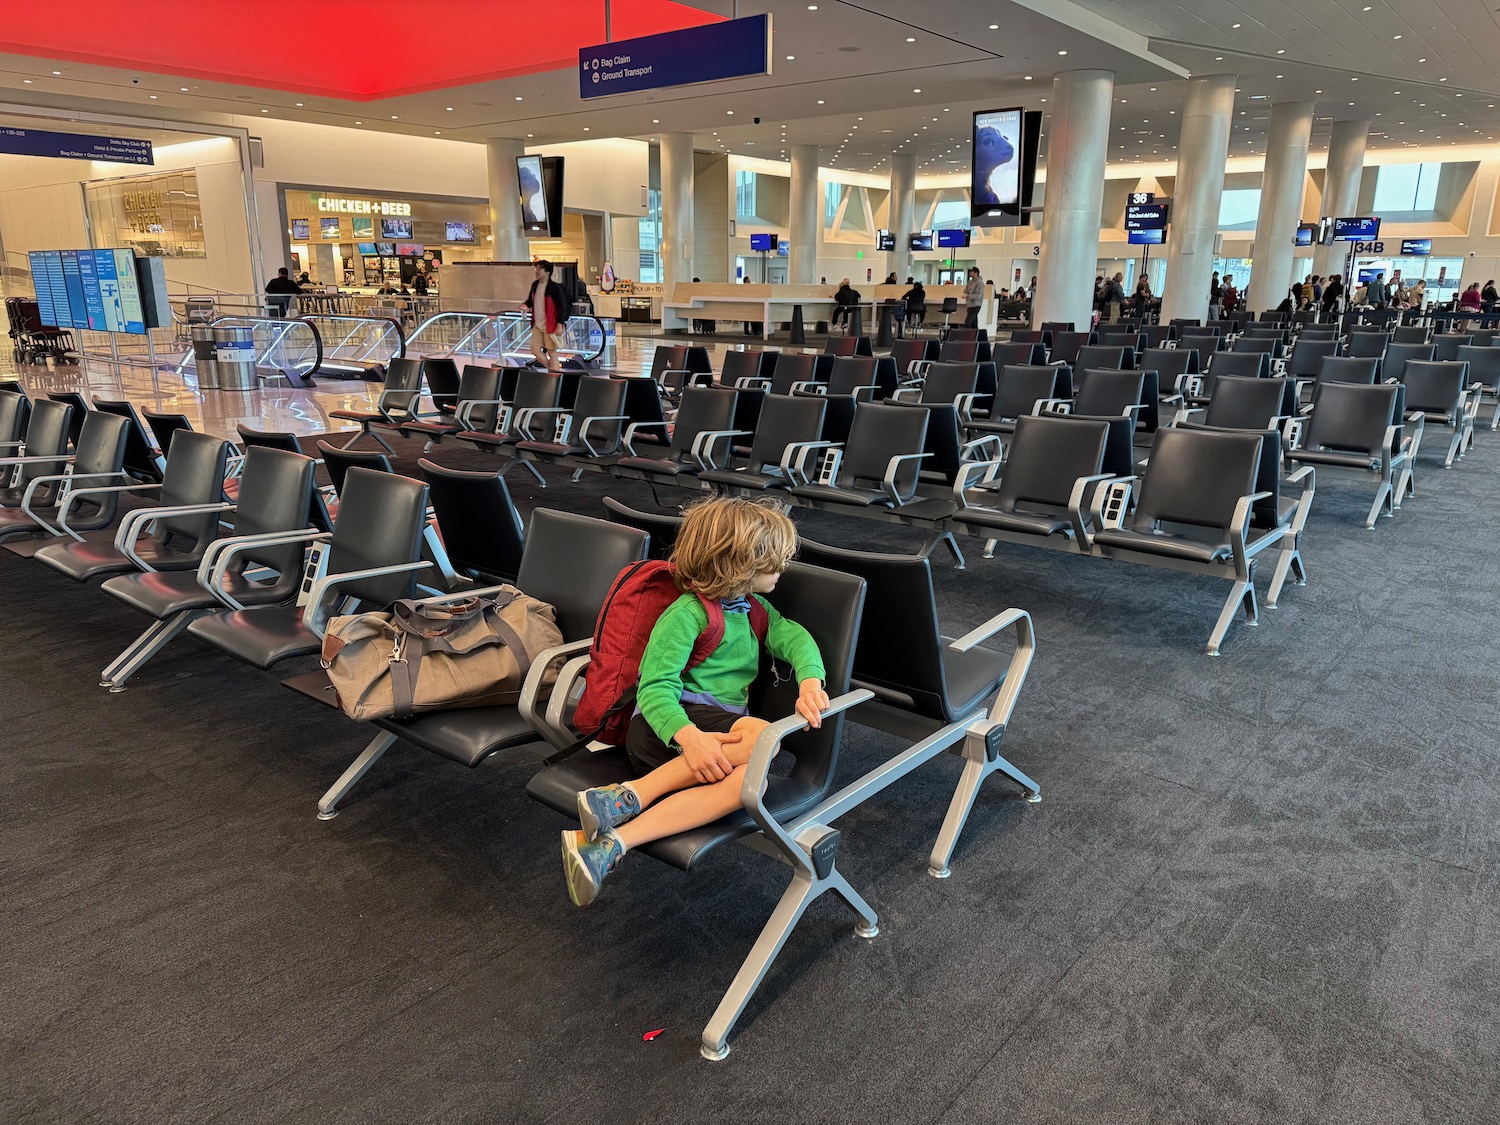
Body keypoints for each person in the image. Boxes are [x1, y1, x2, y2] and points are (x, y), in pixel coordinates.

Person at [560, 498, 830, 906]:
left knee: (748, 783)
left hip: (713, 737)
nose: (782, 569)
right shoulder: (686, 614)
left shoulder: (754, 610)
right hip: (662, 727)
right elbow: (653, 690)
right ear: (737, 565)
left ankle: (609, 843)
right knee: (764, 739)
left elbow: (793, 636)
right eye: (772, 561)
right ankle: (634, 794)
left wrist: (810, 682)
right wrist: (690, 738)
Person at [521, 259, 568, 372]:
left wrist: (559, 323)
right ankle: (550, 367)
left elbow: (562, 307)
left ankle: (555, 374)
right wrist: (525, 305)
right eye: (536, 269)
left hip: (550, 324)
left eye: (539, 269)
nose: (536, 272)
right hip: (537, 323)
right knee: (535, 350)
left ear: (547, 272)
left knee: (551, 351)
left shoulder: (554, 288)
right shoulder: (535, 285)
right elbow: (531, 300)